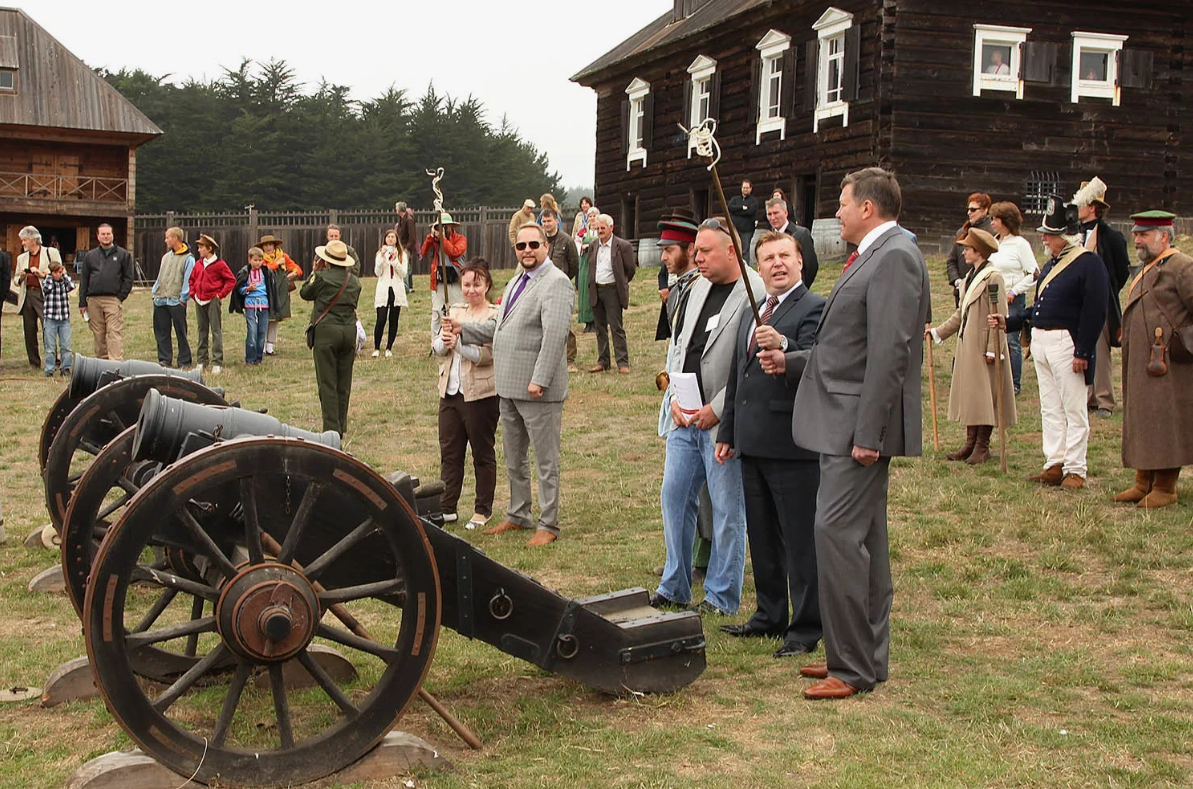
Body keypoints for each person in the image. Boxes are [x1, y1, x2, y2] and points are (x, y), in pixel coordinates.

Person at [787, 167, 931, 700]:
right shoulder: (875, 253)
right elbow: (847, 343)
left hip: (857, 428)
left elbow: (891, 351)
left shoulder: (893, 255)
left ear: (867, 207)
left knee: (837, 537)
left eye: (843, 203)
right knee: (863, 539)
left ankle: (850, 668)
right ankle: (860, 653)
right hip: (842, 422)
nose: (838, 212)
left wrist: (870, 432)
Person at [715, 231, 826, 656]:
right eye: (768, 258)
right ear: (757, 268)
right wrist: (728, 431)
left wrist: (784, 344)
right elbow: (735, 375)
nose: (777, 264)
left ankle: (806, 626)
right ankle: (770, 614)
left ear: (800, 262)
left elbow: (819, 360)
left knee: (799, 540)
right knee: (761, 536)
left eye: (785, 256)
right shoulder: (753, 310)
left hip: (793, 443)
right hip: (752, 440)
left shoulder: (815, 308)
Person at [652, 217, 765, 616]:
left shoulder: (754, 293)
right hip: (685, 415)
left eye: (704, 251)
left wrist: (715, 410)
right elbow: (682, 346)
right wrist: (675, 403)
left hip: (723, 420)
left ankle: (720, 596)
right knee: (674, 497)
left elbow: (747, 365)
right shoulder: (698, 286)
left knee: (726, 508)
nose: (696, 258)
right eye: (695, 251)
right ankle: (674, 585)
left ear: (731, 251)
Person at [449, 223, 574, 546]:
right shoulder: (519, 278)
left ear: (546, 246)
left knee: (546, 460)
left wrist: (539, 379)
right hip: (508, 387)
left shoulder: (556, 284)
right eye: (521, 246)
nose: (527, 250)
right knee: (514, 457)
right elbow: (498, 326)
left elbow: (555, 336)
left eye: (534, 244)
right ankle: (519, 514)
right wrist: (464, 329)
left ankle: (549, 523)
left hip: (537, 389)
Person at [1001, 197, 1108, 489]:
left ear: (1064, 235)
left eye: (1049, 233)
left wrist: (1083, 350)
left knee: (1073, 408)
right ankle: (1054, 462)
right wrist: (1009, 321)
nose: (1044, 238)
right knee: (1049, 407)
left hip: (1067, 342)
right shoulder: (1052, 265)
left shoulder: (1088, 263)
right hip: (1043, 341)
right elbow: (1039, 308)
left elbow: (1095, 310)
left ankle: (1076, 469)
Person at [1112, 211, 1193, 509]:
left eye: (1144, 235)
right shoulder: (1150, 267)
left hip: (1170, 363)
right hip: (1143, 364)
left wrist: (1178, 338)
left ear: (1164, 236)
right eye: (1136, 234)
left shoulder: (1182, 266)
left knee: (1166, 421)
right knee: (1144, 418)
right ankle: (1142, 481)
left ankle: (1165, 487)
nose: (1137, 240)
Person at [654, 208, 712, 585]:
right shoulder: (679, 287)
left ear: (690, 249)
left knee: (705, 494)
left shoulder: (701, 286)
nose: (663, 257)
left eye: (669, 249)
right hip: (680, 395)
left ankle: (705, 560)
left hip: (703, 400)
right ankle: (686, 560)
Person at [927, 228, 1016, 464]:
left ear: (979, 251)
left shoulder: (993, 277)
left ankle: (982, 445)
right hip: (967, 345)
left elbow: (999, 315)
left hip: (984, 345)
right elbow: (961, 313)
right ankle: (970, 442)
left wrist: (992, 348)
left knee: (985, 395)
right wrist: (938, 332)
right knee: (972, 394)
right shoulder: (970, 276)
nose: (963, 252)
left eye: (967, 248)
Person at [433, 262, 500, 530]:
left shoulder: (494, 315)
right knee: (450, 453)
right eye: (467, 284)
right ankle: (447, 507)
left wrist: (459, 345)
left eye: (477, 284)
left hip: (481, 395)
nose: (471, 290)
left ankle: (483, 510)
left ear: (487, 286)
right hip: (450, 393)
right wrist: (444, 340)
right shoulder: (455, 310)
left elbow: (486, 357)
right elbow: (438, 348)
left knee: (482, 454)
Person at [1072, 178, 1130, 417]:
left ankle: (1105, 400)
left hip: (1101, 301)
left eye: (1082, 205)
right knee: (1081, 347)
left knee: (1101, 350)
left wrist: (1106, 291)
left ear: (1092, 207)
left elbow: (1122, 269)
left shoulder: (1111, 237)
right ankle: (1088, 397)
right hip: (1077, 302)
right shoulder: (1074, 234)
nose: (1078, 209)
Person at [300, 239, 362, 436]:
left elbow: (304, 293)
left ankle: (331, 430)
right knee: (344, 383)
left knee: (327, 383)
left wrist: (314, 271)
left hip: (327, 332)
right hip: (348, 331)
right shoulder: (353, 280)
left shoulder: (321, 277)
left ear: (326, 261)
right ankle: (341, 426)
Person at [987, 202, 1038, 394]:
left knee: (1011, 340)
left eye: (995, 219)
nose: (992, 222)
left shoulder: (1020, 244)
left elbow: (1033, 273)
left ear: (1006, 221)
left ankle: (1014, 383)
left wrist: (1014, 291)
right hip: (993, 297)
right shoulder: (994, 242)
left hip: (1012, 299)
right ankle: (997, 379)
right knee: (993, 338)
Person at [587, 213, 637, 373]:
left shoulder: (623, 246)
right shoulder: (594, 245)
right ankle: (603, 361)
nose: (600, 231)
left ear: (611, 228)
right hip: (596, 289)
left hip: (612, 291)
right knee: (599, 327)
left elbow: (630, 269)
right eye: (598, 228)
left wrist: (620, 283)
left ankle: (622, 363)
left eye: (603, 228)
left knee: (616, 327)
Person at [77, 223, 133, 361]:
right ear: (98, 236)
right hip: (93, 300)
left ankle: (116, 363)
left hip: (113, 299)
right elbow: (84, 280)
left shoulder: (123, 255)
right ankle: (102, 361)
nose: (106, 236)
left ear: (112, 235)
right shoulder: (90, 256)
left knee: (114, 331)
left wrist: (120, 297)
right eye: (103, 234)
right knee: (98, 333)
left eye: (108, 233)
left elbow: (128, 278)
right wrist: (82, 302)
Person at [189, 234, 236, 374]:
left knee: (216, 330)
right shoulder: (198, 264)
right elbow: (192, 280)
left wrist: (219, 295)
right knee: (202, 330)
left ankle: (217, 361)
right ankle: (201, 360)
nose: (199, 250)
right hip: (199, 299)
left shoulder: (219, 265)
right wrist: (193, 293)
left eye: (201, 247)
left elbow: (231, 280)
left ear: (209, 249)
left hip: (212, 300)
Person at [15, 226, 62, 369]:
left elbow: (59, 269)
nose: (23, 243)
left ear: (34, 240)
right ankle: (34, 362)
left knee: (48, 327)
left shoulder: (50, 252)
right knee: (29, 330)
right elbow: (16, 279)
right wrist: (22, 276)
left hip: (44, 294)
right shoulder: (21, 258)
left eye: (25, 240)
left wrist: (43, 273)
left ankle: (53, 361)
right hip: (27, 294)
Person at [543, 208, 580, 372]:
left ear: (556, 221)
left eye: (549, 220)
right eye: (543, 221)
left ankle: (570, 360)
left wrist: (564, 280)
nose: (546, 224)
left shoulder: (567, 241)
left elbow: (574, 265)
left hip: (561, 287)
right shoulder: (540, 240)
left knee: (564, 323)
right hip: (542, 287)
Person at [152, 227, 194, 369]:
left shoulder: (189, 259)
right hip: (161, 299)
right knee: (162, 331)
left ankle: (184, 360)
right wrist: (155, 292)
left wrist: (183, 298)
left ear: (175, 238)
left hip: (176, 300)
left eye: (167, 237)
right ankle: (164, 358)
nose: (165, 240)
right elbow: (160, 276)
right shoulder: (165, 257)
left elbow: (188, 279)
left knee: (180, 331)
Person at [421, 213, 467, 338]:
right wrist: (431, 237)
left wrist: (443, 238)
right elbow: (423, 252)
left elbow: (454, 252)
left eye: (445, 227)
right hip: (439, 280)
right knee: (437, 312)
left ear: (451, 227)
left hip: (455, 279)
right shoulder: (434, 240)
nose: (443, 229)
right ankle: (436, 341)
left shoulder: (460, 239)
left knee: (457, 309)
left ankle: (458, 338)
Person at [229, 247, 276, 366]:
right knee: (252, 332)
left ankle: (258, 358)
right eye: (255, 260)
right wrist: (248, 289)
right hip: (250, 306)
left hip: (264, 306)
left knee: (261, 333)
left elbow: (271, 289)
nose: (258, 263)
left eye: (260, 260)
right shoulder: (245, 272)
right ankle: (250, 359)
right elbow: (238, 289)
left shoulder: (267, 272)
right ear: (249, 259)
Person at [258, 234, 303, 355]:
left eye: (270, 245)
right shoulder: (259, 257)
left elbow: (297, 269)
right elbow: (263, 270)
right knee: (264, 318)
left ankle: (270, 347)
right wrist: (277, 263)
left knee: (275, 318)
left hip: (279, 293)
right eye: (265, 245)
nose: (268, 247)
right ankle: (260, 345)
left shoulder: (283, 256)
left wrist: (292, 274)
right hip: (265, 291)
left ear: (274, 245)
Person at [946, 193, 994, 306]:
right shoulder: (961, 232)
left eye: (973, 210)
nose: (969, 213)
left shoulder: (992, 233)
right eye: (968, 209)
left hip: (981, 291)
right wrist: (957, 280)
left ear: (985, 210)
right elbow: (951, 261)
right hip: (961, 291)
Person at [763, 198, 819, 287]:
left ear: (786, 213)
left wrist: (802, 286)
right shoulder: (767, 237)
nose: (773, 218)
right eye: (769, 214)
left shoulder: (801, 234)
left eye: (776, 213)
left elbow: (811, 265)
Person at [372, 229, 408, 358]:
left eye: (393, 237)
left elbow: (403, 273)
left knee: (394, 319)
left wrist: (395, 261)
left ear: (396, 239)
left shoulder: (402, 254)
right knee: (381, 318)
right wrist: (382, 258)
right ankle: (376, 347)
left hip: (396, 289)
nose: (391, 239)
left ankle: (389, 347)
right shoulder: (379, 254)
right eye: (388, 237)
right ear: (385, 239)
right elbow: (377, 272)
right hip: (383, 289)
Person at [40, 260, 75, 377]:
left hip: (64, 318)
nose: (58, 275)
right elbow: (46, 288)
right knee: (50, 346)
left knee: (66, 346)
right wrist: (49, 275)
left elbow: (72, 286)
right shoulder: (48, 281)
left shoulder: (64, 281)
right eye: (56, 272)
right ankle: (49, 369)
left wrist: (64, 274)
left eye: (60, 272)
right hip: (50, 318)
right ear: (51, 273)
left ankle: (65, 368)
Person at [575, 206, 599, 333]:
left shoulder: (601, 231)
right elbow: (577, 243)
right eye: (590, 216)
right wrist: (582, 246)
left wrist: (590, 245)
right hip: (585, 264)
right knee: (584, 290)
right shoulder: (583, 231)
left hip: (596, 264)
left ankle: (595, 321)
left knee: (594, 290)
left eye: (594, 216)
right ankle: (587, 322)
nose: (592, 218)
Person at [728, 179, 762, 265]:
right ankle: (734, 266)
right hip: (735, 229)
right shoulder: (735, 199)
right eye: (744, 188)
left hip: (747, 229)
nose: (745, 189)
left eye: (747, 188)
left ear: (751, 189)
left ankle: (745, 269)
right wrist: (742, 208)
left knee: (745, 251)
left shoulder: (753, 201)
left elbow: (751, 211)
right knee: (734, 248)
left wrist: (737, 212)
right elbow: (730, 208)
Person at [395, 202, 418, 294]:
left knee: (405, 267)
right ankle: (410, 286)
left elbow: (412, 237)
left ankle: (406, 287)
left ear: (399, 210)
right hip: (401, 246)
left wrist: (407, 248)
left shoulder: (409, 220)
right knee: (407, 267)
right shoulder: (401, 219)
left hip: (405, 247)